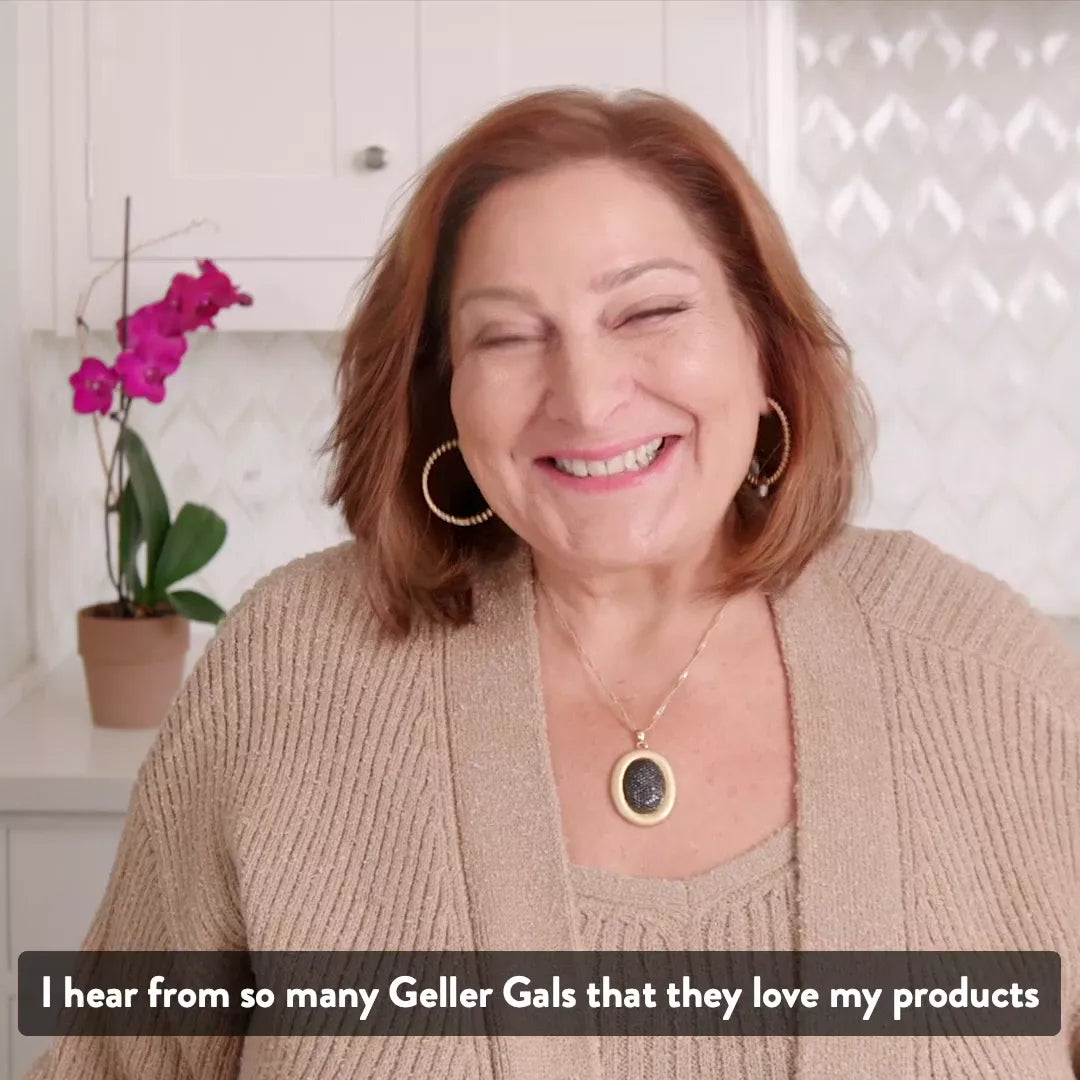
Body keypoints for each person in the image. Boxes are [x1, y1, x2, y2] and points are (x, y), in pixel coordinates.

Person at [21, 88, 1079, 1080]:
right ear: (447, 397)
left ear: (765, 346)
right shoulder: (290, 674)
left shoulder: (990, 675)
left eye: (649, 312)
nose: (586, 394)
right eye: (509, 334)